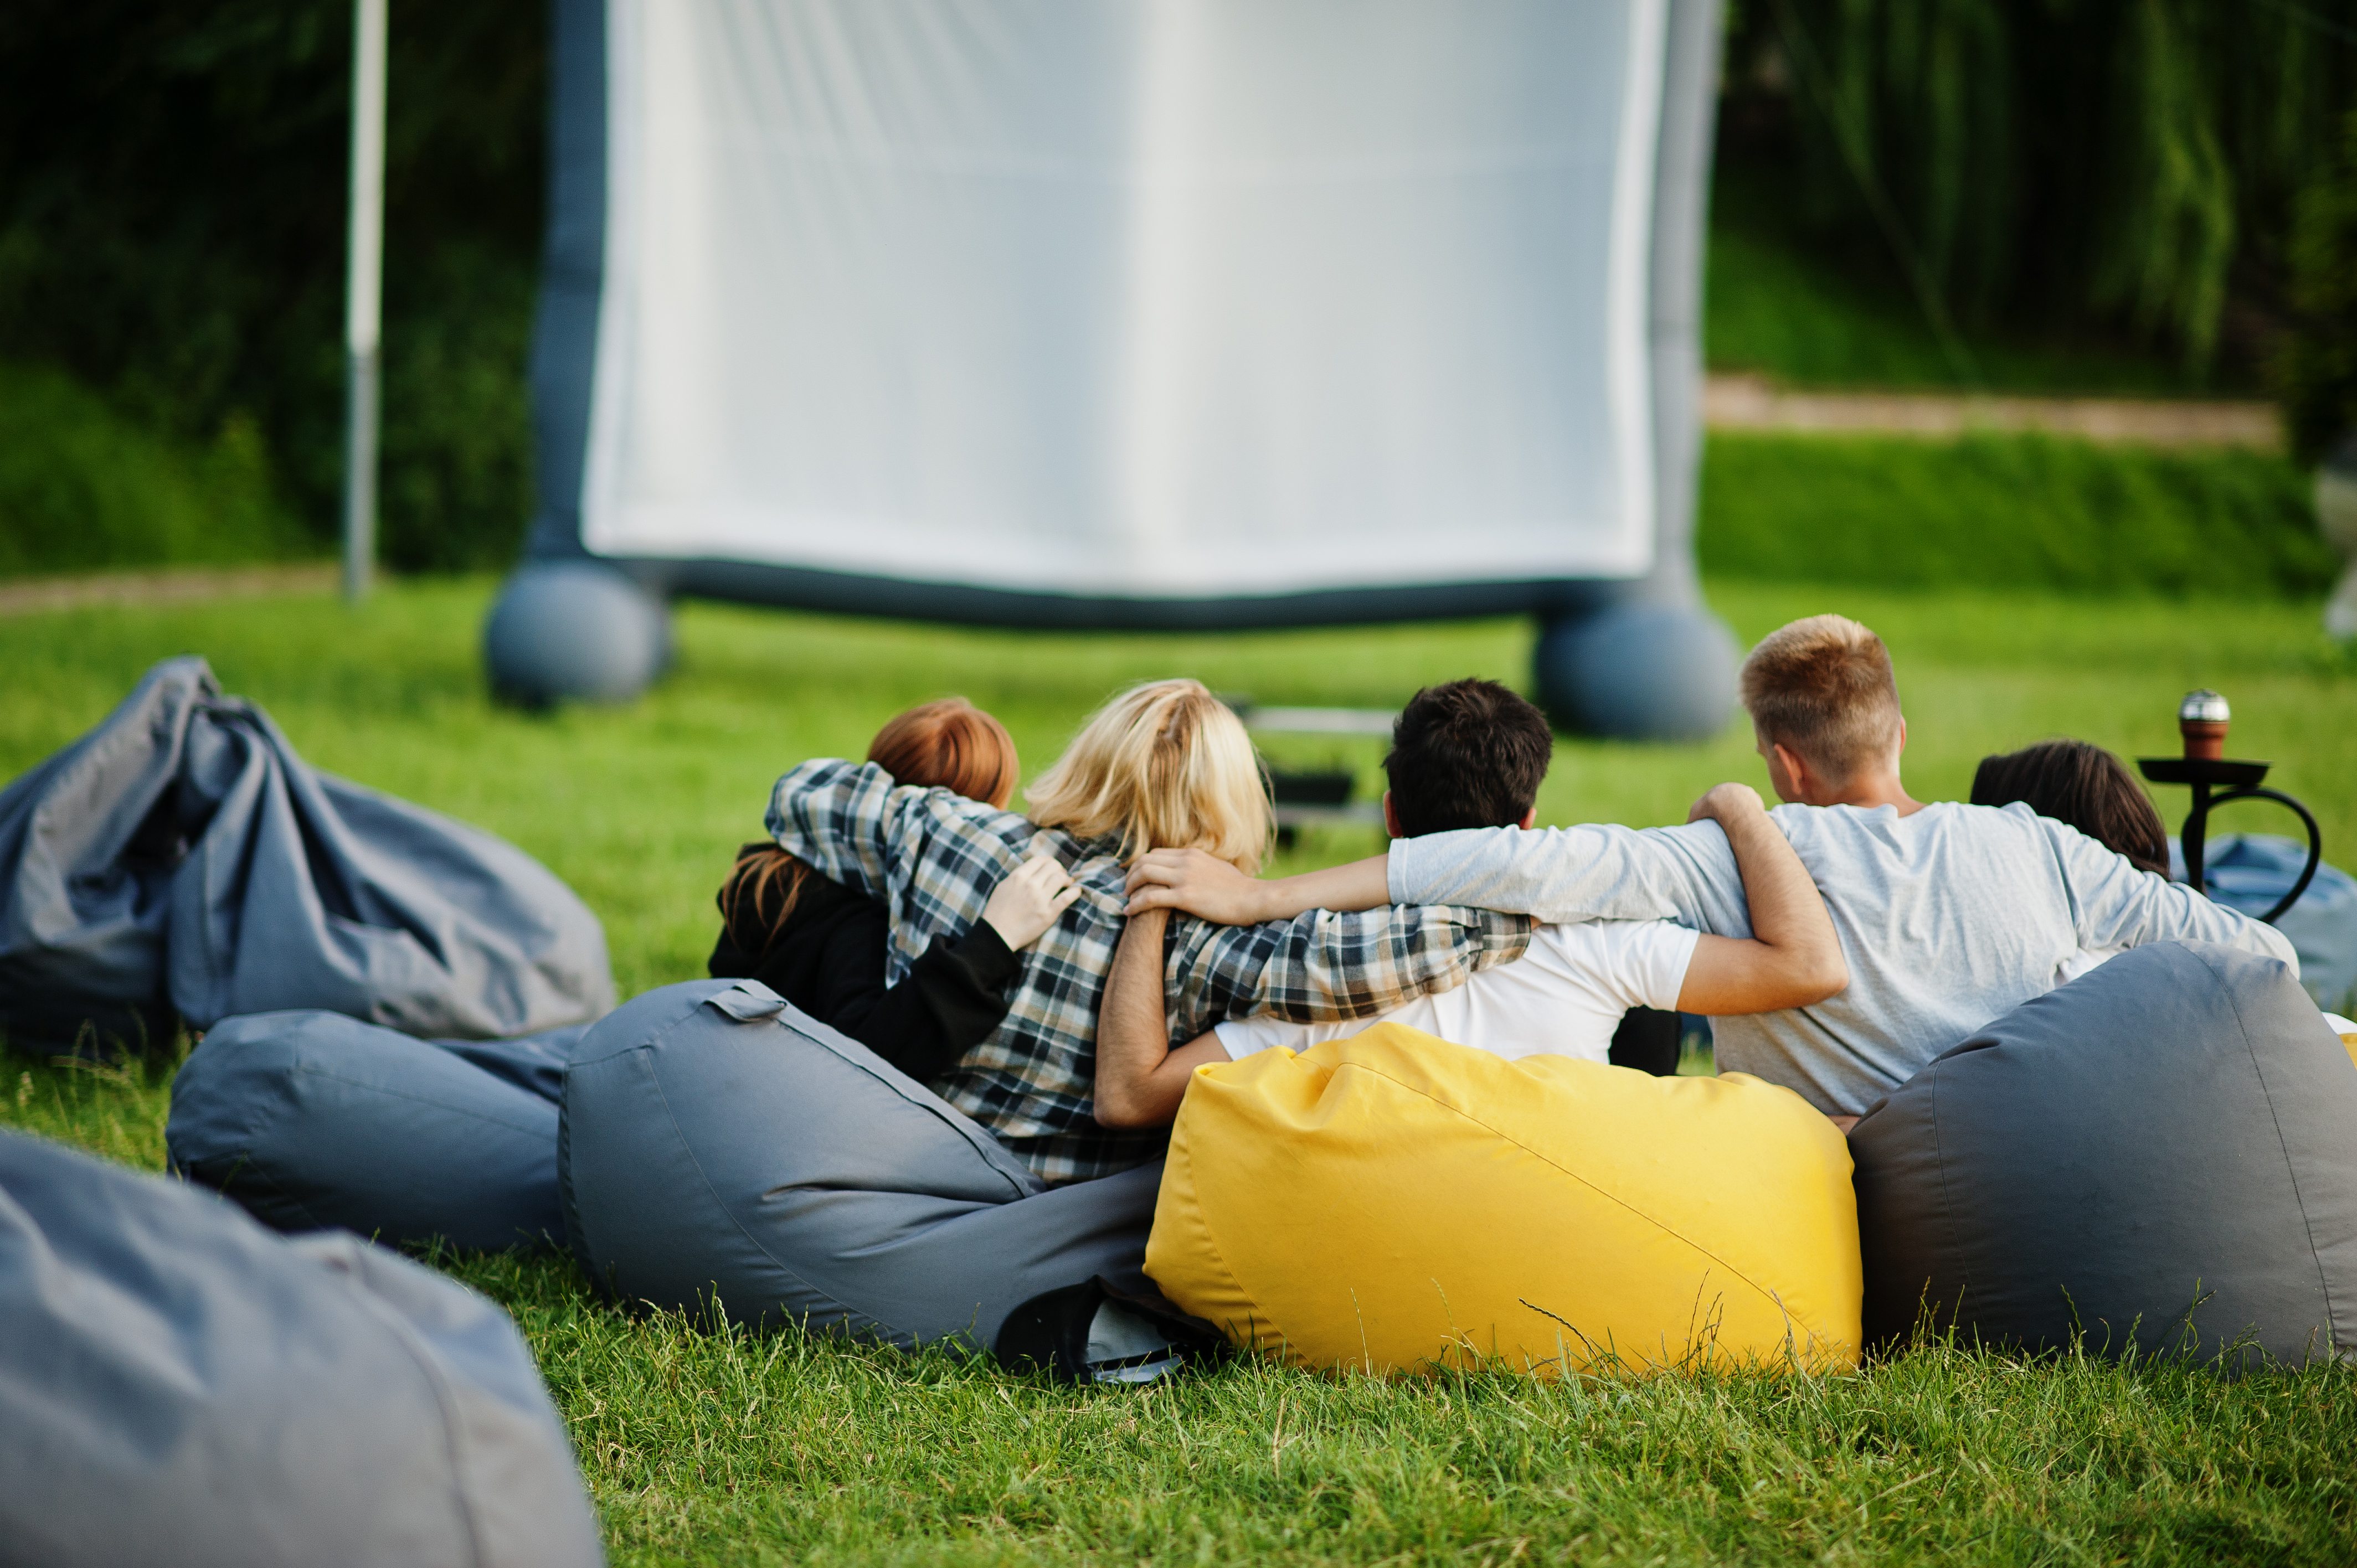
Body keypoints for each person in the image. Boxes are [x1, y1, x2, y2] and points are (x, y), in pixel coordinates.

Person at [1124, 616, 2298, 1128]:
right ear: (1896, 735)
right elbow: (2254, 955)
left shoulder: (1729, 862)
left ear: (1783, 761)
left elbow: (1510, 864)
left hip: (1871, 1204)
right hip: (2048, 1161)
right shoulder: (2039, 845)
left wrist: (1258, 895)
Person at [765, 678, 1531, 1184]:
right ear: (1235, 801)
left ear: (1091, 756)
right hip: (1042, 1212)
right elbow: (1400, 951)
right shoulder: (1220, 944)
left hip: (892, 1166)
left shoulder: (949, 834)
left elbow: (799, 792)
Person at [1090, 679, 1847, 1127]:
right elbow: (1810, 966)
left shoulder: (1319, 966)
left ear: (1390, 818)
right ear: (1527, 829)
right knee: (1652, 1024)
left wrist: (1149, 897)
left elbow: (1130, 1098)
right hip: (1563, 1213)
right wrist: (1741, 807)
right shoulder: (1600, 943)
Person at [709, 698, 1079, 1085]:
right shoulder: (871, 912)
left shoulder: (774, 865)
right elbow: (872, 1059)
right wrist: (994, 942)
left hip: (718, 1068)